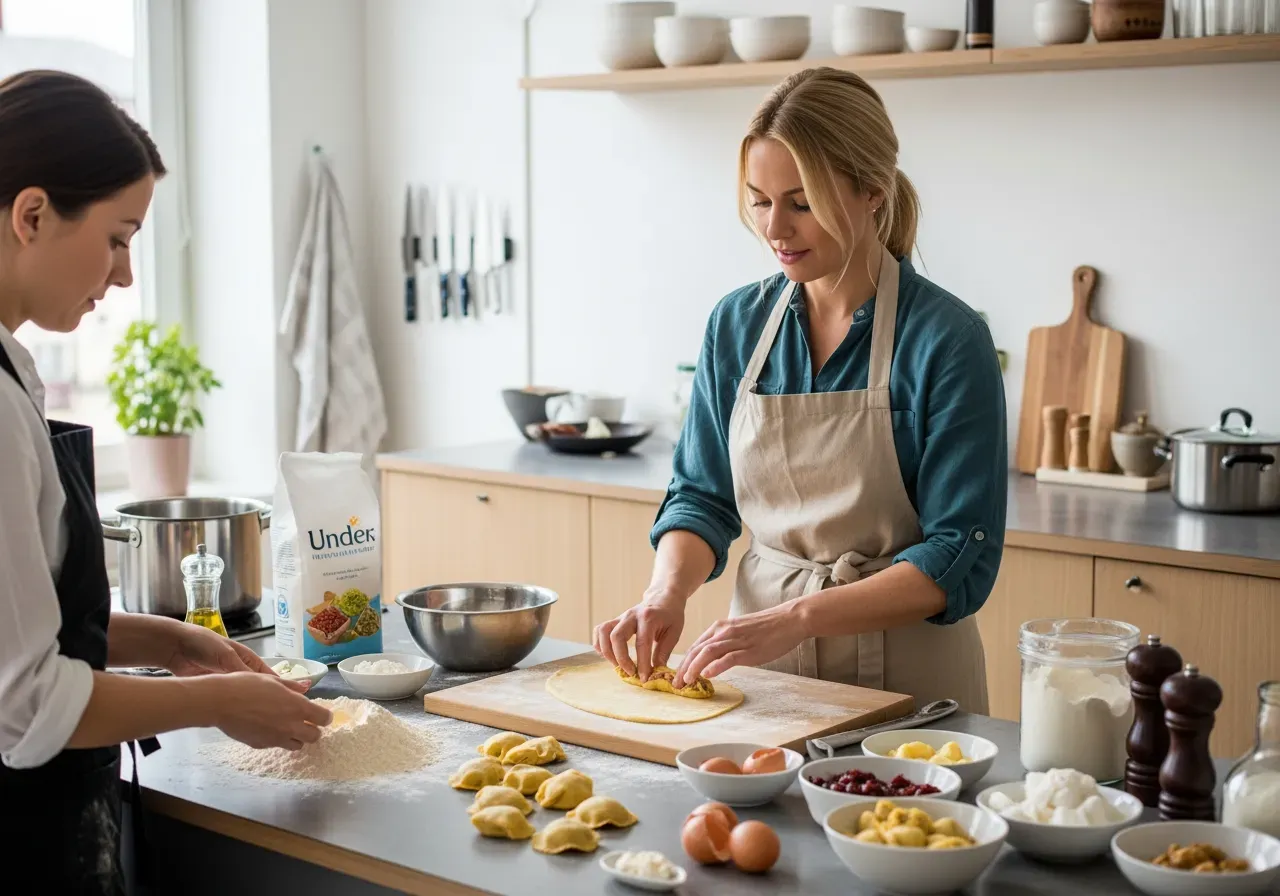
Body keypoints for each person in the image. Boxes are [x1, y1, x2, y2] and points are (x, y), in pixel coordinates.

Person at [0, 70, 332, 892]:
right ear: (31, 214)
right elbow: (30, 706)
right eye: (118, 236)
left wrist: (169, 639)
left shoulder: (16, 370)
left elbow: (16, 623)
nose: (124, 276)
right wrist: (219, 702)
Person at [593, 67, 1006, 713]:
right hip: (760, 675)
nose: (775, 229)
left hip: (912, 685)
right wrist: (664, 595)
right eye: (760, 200)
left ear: (872, 190)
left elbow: (959, 554)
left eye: (802, 202)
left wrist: (797, 617)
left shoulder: (948, 339)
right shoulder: (737, 324)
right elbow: (702, 496)